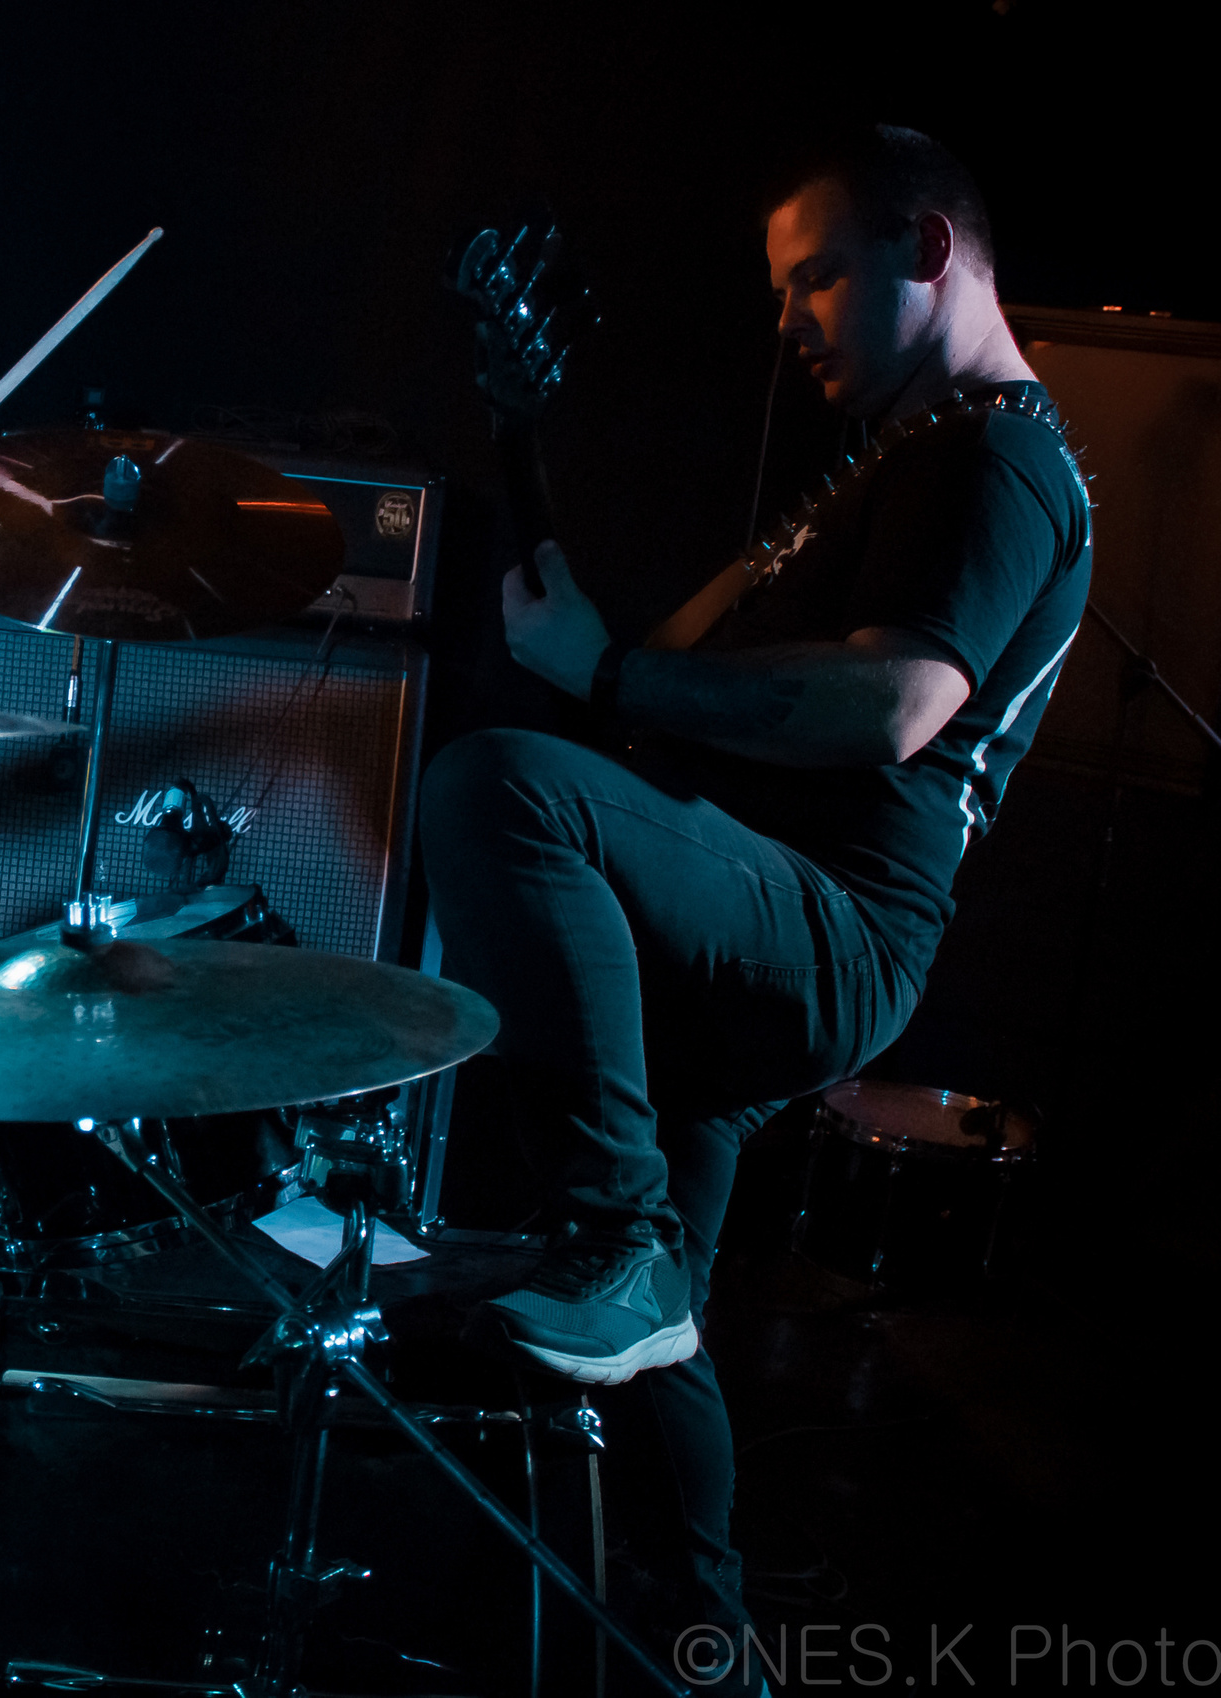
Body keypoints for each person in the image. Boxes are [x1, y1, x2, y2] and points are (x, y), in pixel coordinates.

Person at [416, 125, 1089, 1650]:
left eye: (818, 279)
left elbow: (898, 704)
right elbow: (640, 697)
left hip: (835, 930)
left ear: (929, 250)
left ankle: (611, 1234)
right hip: (744, 922)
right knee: (658, 1352)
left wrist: (604, 671)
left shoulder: (999, 452)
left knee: (499, 784)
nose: (787, 322)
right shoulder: (901, 460)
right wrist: (527, 450)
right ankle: (700, 1646)